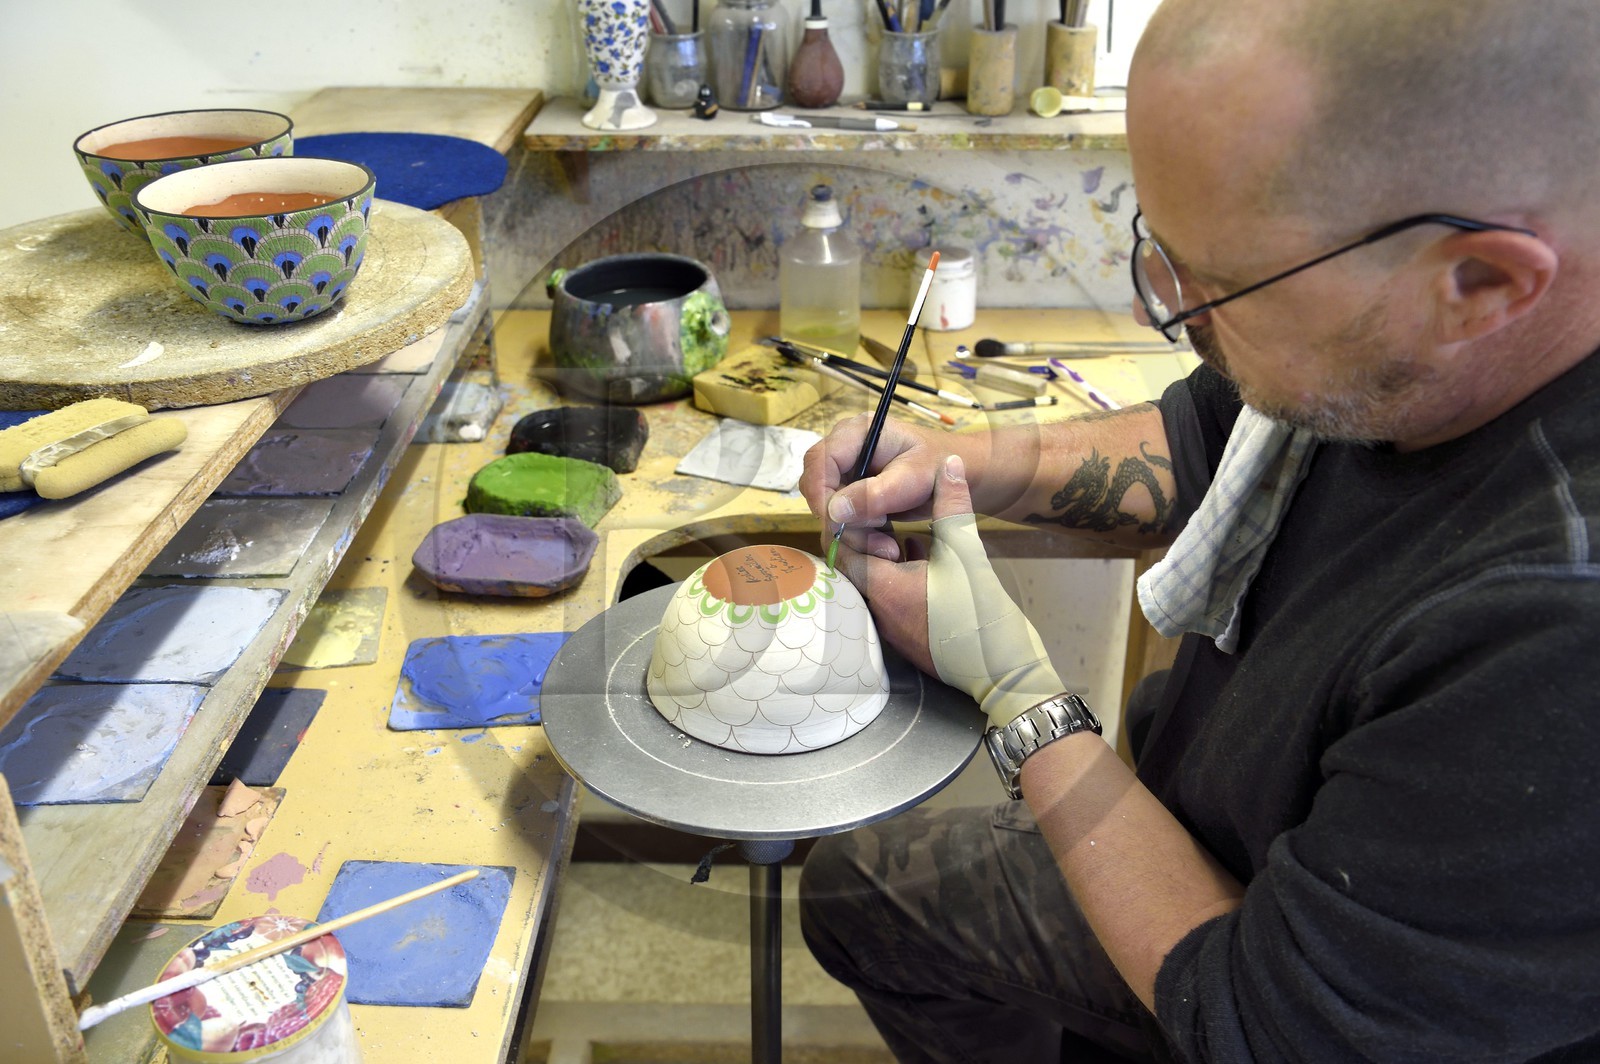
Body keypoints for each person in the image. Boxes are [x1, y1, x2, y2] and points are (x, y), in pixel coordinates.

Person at [796, 0, 1600, 1060]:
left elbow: (1258, 1026)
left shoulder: (1557, 630)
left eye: (1215, 286)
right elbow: (1218, 432)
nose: (1161, 315)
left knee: (868, 902)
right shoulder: (1390, 347)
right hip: (1222, 827)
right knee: (859, 889)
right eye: (1161, 257)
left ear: (1483, 284)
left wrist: (1017, 691)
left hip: (1271, 989)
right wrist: (970, 458)